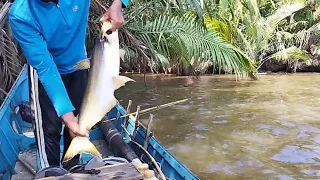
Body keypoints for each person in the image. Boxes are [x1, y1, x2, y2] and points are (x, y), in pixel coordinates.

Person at [8, 0, 128, 170]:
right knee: (49, 130)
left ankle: (73, 167)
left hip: (79, 64)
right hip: (45, 72)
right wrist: (68, 117)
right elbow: (46, 69)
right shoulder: (21, 14)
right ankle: (51, 171)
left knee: (79, 124)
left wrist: (118, 4)